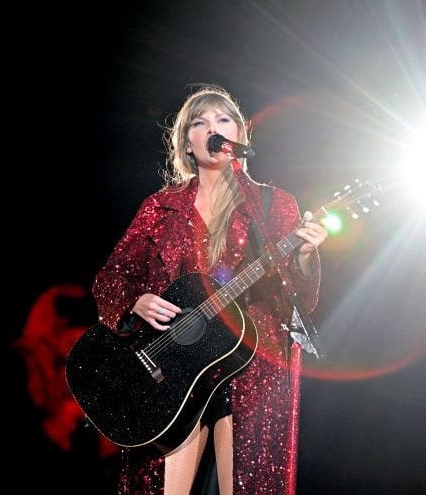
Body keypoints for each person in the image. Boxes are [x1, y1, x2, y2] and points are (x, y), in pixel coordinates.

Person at [92, 84, 327, 495]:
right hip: (176, 364)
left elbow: (298, 300)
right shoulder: (160, 208)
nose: (212, 129)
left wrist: (306, 255)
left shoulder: (275, 205)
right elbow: (112, 279)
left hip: (250, 360)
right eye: (199, 123)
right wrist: (136, 301)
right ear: (186, 142)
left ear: (240, 135)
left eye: (223, 120)